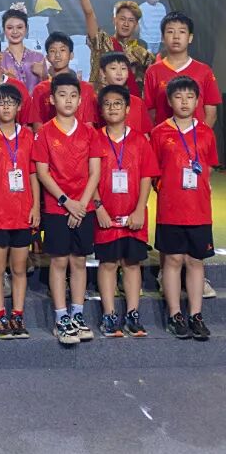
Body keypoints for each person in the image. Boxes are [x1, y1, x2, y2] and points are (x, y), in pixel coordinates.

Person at [31, 73, 103, 346]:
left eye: (73, 96)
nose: (68, 100)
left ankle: (77, 314)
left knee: (79, 262)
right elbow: (42, 173)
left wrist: (81, 205)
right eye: (62, 95)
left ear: (80, 100)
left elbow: (95, 172)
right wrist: (66, 202)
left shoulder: (89, 132)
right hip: (56, 208)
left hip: (83, 208)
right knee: (59, 262)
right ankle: (61, 317)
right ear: (52, 99)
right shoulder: (44, 133)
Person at [151, 75, 218, 340]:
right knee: (173, 260)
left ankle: (196, 315)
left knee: (195, 261)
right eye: (178, 97)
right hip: (170, 209)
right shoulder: (159, 133)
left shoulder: (206, 132)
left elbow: (208, 167)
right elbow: (153, 171)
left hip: (199, 210)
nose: (184, 102)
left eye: (190, 97)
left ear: (198, 101)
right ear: (170, 101)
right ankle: (175, 314)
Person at [92, 85, 158, 338]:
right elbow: (90, 177)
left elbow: (146, 177)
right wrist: (98, 207)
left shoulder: (140, 140)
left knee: (132, 264)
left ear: (128, 109)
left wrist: (140, 209)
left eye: (118, 103)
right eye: (107, 104)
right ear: (101, 110)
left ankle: (132, 313)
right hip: (105, 215)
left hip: (133, 215)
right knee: (108, 264)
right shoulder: (95, 138)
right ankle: (109, 315)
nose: (112, 108)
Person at [0, 83, 38, 339]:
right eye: (1, 103)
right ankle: (0, 315)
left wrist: (36, 206)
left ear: (19, 107)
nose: (6, 107)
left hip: (23, 210)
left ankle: (18, 315)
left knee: (20, 267)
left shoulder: (28, 136)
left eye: (10, 103)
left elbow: (32, 173)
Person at [76, 0, 153, 90]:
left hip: (130, 101)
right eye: (122, 19)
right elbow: (89, 13)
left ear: (136, 24)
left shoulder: (142, 54)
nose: (126, 24)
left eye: (131, 20)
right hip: (101, 99)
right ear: (114, 20)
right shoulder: (102, 42)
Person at [143, 11, 220, 126]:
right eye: (170, 31)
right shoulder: (153, 71)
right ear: (162, 37)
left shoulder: (204, 71)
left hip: (196, 136)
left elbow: (211, 114)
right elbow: (150, 112)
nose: (176, 37)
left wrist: (200, 135)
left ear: (190, 38)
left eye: (182, 32)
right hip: (163, 136)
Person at [29, 32, 97, 130]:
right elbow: (38, 127)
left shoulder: (86, 88)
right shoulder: (40, 90)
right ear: (47, 57)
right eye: (53, 51)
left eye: (62, 50)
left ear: (71, 55)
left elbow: (89, 125)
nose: (57, 55)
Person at [96, 52, 153, 135]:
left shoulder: (138, 102)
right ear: (102, 72)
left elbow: (145, 134)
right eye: (113, 68)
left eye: (123, 68)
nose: (119, 73)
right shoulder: (96, 102)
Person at [0, 8, 47, 93]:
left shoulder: (38, 58)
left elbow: (47, 90)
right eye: (10, 28)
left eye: (19, 27)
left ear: (26, 29)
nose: (15, 31)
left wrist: (43, 76)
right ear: (3, 30)